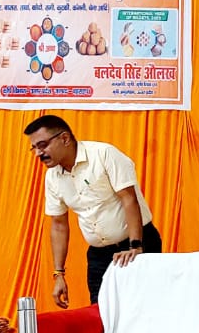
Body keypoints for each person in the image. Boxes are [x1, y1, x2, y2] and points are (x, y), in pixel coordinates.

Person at [25, 114, 162, 307]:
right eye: (34, 148)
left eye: (42, 145)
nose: (39, 153)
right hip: (99, 255)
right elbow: (58, 225)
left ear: (64, 138)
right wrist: (58, 274)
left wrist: (136, 247)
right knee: (100, 312)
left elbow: (129, 199)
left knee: (145, 307)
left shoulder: (104, 154)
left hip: (138, 244)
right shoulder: (52, 177)